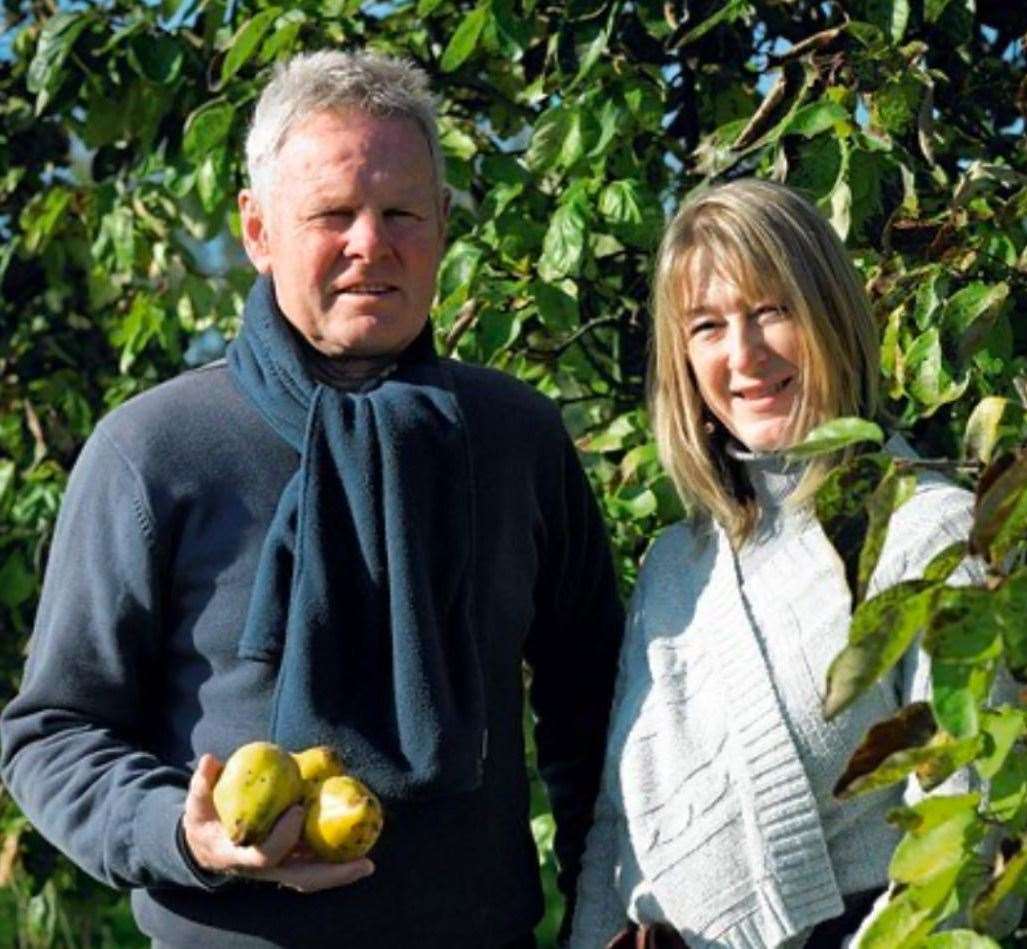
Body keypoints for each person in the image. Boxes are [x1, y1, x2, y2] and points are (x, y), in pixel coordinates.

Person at [0, 50, 624, 948]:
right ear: (258, 231)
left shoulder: (513, 437)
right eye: (332, 213)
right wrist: (182, 832)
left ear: (443, 223)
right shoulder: (154, 450)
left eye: (402, 210)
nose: (370, 242)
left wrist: (601, 907)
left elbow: (592, 708)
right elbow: (52, 731)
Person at [569, 179, 985, 948]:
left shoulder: (927, 532)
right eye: (706, 325)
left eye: (772, 311)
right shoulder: (673, 565)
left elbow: (965, 833)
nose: (744, 354)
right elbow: (616, 830)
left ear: (829, 316)